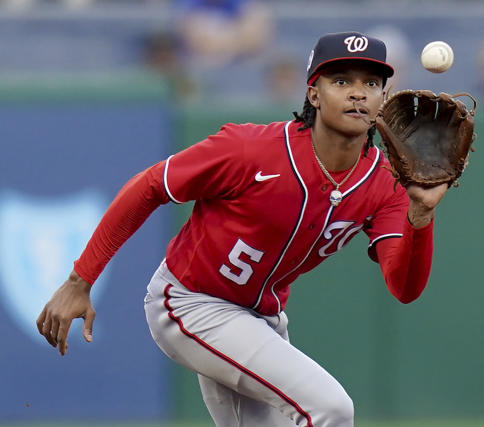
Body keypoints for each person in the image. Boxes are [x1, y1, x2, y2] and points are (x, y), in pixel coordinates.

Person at [36, 31, 449, 427]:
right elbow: (147, 188)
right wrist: (80, 278)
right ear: (313, 93)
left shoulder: (386, 184)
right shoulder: (249, 149)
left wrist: (421, 215)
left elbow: (404, 287)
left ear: (383, 98)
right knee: (331, 409)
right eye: (341, 80)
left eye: (371, 83)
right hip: (190, 303)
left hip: (260, 320)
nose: (358, 92)